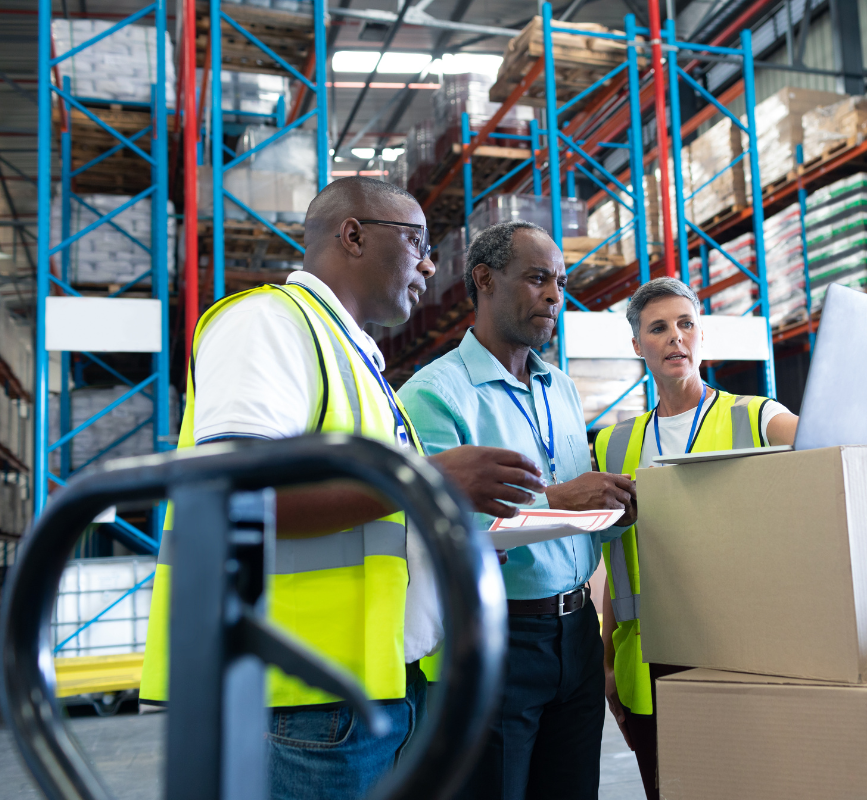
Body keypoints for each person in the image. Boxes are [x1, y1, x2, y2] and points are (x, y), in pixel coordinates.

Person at [140, 178, 547, 800]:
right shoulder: (269, 323)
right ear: (352, 235)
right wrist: (430, 480)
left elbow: (374, 518)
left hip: (365, 688)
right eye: (417, 241)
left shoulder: (358, 361)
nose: (431, 264)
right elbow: (231, 497)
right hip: (295, 697)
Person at [398, 220, 636, 800]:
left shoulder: (560, 387)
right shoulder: (433, 395)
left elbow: (574, 508)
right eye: (537, 279)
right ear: (484, 280)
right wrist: (558, 499)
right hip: (493, 637)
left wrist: (607, 510)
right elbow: (437, 532)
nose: (555, 295)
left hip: (576, 633)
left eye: (559, 281)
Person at [595, 277, 799, 800]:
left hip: (734, 654)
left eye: (686, 325)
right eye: (658, 328)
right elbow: (616, 560)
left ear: (702, 337)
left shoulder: (754, 415)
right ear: (637, 346)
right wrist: (607, 664)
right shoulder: (613, 445)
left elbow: (819, 441)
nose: (675, 338)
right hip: (645, 661)